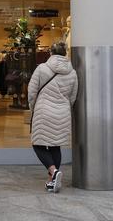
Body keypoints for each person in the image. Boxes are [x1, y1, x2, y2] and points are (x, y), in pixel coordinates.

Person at [28, 42, 78, 193]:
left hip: (43, 110)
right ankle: (52, 180)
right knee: (55, 146)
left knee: (38, 144)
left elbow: (31, 93)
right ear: (64, 54)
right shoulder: (72, 72)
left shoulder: (42, 68)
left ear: (51, 53)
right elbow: (73, 97)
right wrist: (63, 106)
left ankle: (53, 171)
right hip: (62, 112)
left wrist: (33, 109)